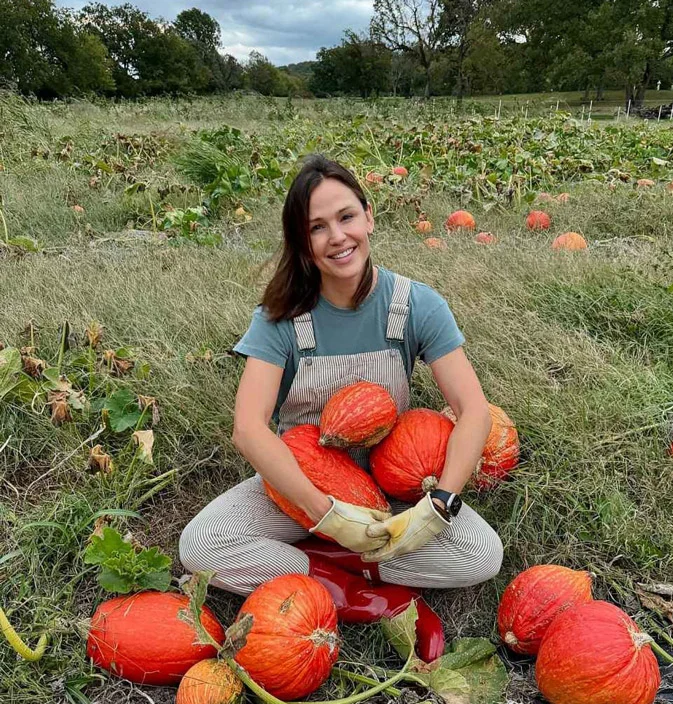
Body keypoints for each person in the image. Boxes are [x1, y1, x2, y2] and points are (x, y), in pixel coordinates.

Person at [179, 155, 503, 662]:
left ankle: (312, 560)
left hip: (387, 489)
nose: (337, 237)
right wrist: (322, 513)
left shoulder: (416, 305)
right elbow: (248, 429)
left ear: (369, 216)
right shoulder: (281, 318)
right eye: (317, 227)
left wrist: (439, 506)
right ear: (303, 243)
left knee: (482, 554)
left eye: (346, 217)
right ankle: (352, 588)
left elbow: (474, 411)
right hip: (295, 487)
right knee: (199, 545)